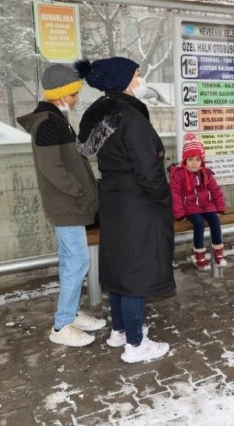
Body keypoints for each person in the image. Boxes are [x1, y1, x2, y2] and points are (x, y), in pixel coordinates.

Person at [75, 57, 175, 364]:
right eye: (135, 74)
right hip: (138, 202)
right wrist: (163, 198)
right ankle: (135, 344)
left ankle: (119, 330)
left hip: (114, 200)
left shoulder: (100, 114)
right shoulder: (129, 117)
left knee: (119, 266)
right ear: (121, 81)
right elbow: (148, 168)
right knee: (135, 271)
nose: (140, 78)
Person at [16, 63, 106, 347]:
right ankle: (61, 325)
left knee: (70, 260)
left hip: (69, 203)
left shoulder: (56, 118)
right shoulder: (47, 123)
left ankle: (71, 314)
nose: (77, 98)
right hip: (66, 204)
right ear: (61, 94)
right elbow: (51, 168)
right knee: (78, 260)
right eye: (74, 94)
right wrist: (78, 191)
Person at [170, 132, 227, 270]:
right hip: (189, 207)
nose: (194, 163)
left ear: (202, 160)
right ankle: (198, 254)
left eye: (197, 159)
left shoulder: (206, 173)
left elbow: (215, 190)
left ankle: (218, 252)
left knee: (215, 221)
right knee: (199, 224)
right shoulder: (179, 175)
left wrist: (219, 207)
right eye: (190, 159)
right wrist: (179, 213)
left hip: (206, 205)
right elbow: (175, 194)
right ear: (184, 161)